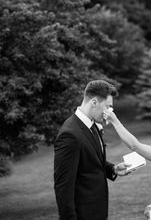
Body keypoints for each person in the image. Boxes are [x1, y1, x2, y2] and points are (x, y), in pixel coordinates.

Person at [54, 80, 130, 220]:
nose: (110, 112)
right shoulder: (70, 134)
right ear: (94, 102)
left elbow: (89, 159)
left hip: (98, 211)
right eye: (108, 107)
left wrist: (112, 169)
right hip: (83, 214)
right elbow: (63, 186)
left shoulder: (93, 125)